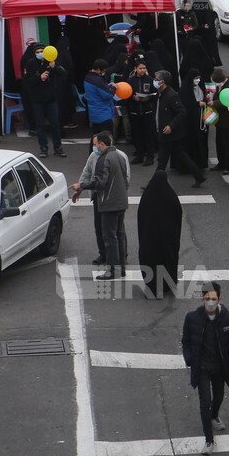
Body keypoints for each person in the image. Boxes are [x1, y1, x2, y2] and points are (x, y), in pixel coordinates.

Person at [181, 283, 229, 454]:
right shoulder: (192, 318)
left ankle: (214, 415)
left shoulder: (228, 318)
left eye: (213, 299)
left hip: (220, 367)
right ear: (202, 299)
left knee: (218, 396)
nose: (210, 302)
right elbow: (185, 341)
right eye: (207, 299)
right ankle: (209, 440)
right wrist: (189, 359)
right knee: (205, 402)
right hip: (201, 367)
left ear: (220, 299)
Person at [73, 132, 130, 281]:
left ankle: (112, 270)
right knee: (119, 234)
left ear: (102, 144)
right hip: (120, 201)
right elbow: (125, 180)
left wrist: (81, 186)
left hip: (108, 203)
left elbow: (99, 182)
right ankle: (121, 268)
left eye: (95, 144)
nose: (94, 147)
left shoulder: (103, 159)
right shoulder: (120, 156)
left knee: (109, 236)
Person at [155, 70, 207, 186]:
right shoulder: (162, 94)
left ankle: (154, 183)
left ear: (162, 82)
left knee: (162, 161)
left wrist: (170, 125)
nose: (155, 81)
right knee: (179, 155)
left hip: (170, 133)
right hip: (168, 132)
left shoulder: (171, 95)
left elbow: (182, 112)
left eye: (157, 80)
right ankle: (198, 175)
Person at [136, 167, 181, 297]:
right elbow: (178, 215)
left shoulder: (147, 197)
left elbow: (141, 217)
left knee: (150, 261)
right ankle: (167, 284)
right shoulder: (171, 197)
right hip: (168, 239)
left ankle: (153, 288)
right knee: (168, 259)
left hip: (149, 239)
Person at [23, 45, 67, 158]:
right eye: (37, 52)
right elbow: (28, 81)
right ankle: (43, 147)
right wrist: (39, 77)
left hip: (51, 99)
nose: (40, 53)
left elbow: (64, 74)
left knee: (55, 124)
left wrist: (55, 67)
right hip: (37, 100)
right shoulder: (30, 64)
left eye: (42, 51)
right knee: (40, 125)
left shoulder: (51, 61)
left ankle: (58, 147)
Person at [126, 60, 159, 165]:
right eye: (140, 68)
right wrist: (132, 97)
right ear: (135, 69)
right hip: (135, 112)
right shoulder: (130, 81)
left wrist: (148, 98)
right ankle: (139, 156)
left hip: (147, 112)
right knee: (137, 135)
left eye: (144, 68)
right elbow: (125, 96)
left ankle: (150, 156)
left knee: (148, 135)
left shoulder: (150, 80)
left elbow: (157, 94)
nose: (142, 70)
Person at [83, 58, 118, 143]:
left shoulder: (88, 78)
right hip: (104, 115)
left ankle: (92, 156)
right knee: (106, 141)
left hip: (94, 114)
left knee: (95, 140)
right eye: (104, 71)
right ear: (98, 70)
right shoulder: (98, 80)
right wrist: (113, 87)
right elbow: (108, 95)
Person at [211, 69, 229, 173]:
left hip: (228, 122)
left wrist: (214, 103)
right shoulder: (221, 86)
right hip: (220, 122)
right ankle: (221, 163)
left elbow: (227, 101)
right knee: (220, 144)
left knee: (228, 145)